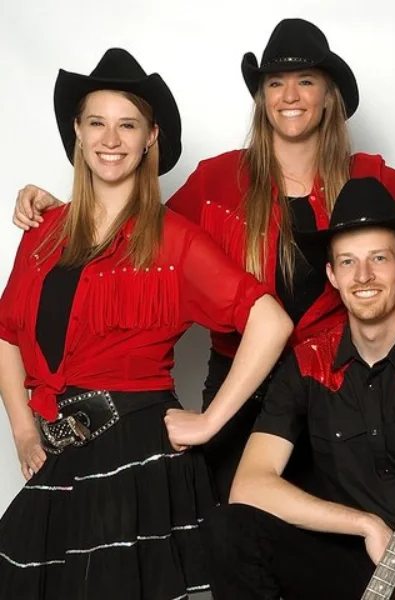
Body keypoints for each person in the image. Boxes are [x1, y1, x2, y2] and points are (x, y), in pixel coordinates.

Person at [11, 19, 395, 503]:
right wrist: (59, 213)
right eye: (275, 83)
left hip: (337, 385)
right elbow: (131, 240)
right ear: (261, 98)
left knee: (343, 531)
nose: (290, 95)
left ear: (328, 96)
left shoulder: (366, 179)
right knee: (232, 534)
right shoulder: (217, 180)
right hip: (240, 388)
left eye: (306, 81)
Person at [0, 48, 292, 599]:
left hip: (137, 457)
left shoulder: (174, 240)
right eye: (98, 123)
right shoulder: (43, 232)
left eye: (127, 124)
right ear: (78, 134)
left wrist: (209, 423)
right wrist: (20, 427)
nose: (111, 139)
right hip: (61, 452)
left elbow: (270, 321)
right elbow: (7, 333)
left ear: (150, 138)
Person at [201, 177, 395, 600]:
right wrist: (364, 525)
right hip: (348, 555)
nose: (363, 276)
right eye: (347, 262)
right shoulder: (307, 364)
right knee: (227, 528)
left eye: (379, 258)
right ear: (332, 275)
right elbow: (249, 486)